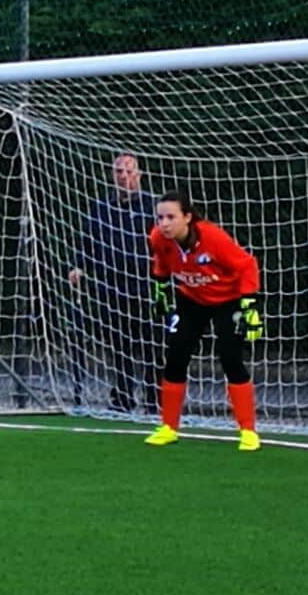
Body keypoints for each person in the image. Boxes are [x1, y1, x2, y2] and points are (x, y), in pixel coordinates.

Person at [142, 188, 263, 451]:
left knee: (231, 358)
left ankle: (248, 431)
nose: (164, 224)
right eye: (160, 218)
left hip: (227, 298)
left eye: (170, 217)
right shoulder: (157, 238)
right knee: (175, 355)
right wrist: (160, 289)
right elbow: (161, 263)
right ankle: (168, 427)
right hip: (191, 299)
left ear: (187, 217)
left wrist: (250, 305)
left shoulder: (212, 237)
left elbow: (246, 265)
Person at [67, 153, 159, 412]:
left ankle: (156, 401)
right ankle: (123, 399)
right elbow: (87, 241)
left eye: (129, 172)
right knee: (120, 345)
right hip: (113, 285)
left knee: (153, 345)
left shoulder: (153, 207)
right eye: (119, 172)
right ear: (112, 175)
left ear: (138, 175)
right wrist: (77, 266)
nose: (124, 177)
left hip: (148, 286)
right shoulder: (102, 208)